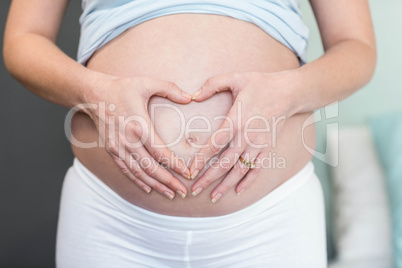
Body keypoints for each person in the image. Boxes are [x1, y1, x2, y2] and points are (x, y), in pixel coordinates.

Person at [3, 0, 376, 267]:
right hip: (113, 222)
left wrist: (286, 93)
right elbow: (23, 39)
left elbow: (356, 48)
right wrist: (93, 92)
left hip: (271, 223)